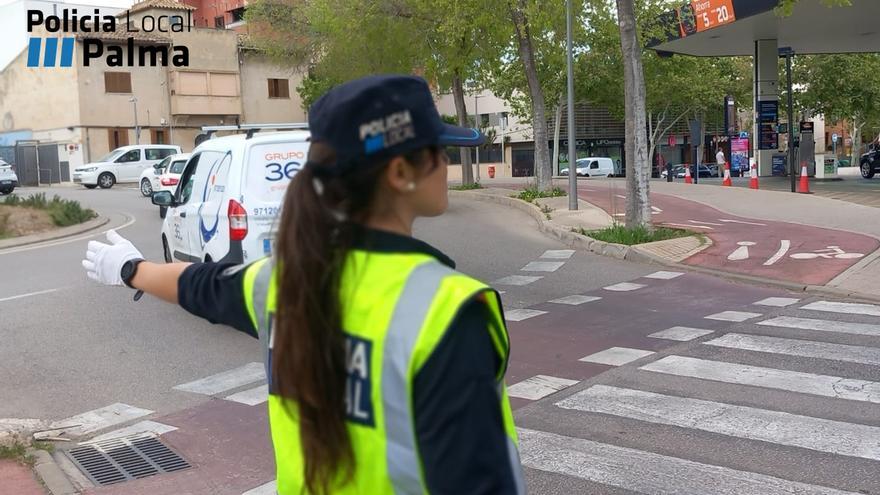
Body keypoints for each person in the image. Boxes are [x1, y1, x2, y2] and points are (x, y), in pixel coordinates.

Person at [82, 75, 525, 495]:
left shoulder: (281, 280)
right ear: (399, 172)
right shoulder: (449, 310)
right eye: (437, 151)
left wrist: (130, 269)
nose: (447, 163)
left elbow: (200, 285)